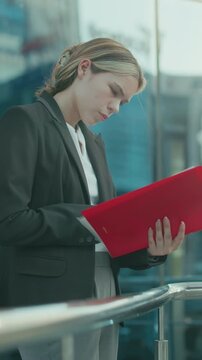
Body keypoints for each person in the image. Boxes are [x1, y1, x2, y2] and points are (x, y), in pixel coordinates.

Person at [0, 37, 185, 360]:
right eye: (114, 91)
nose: (115, 108)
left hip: (104, 289)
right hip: (53, 298)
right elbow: (7, 220)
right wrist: (87, 219)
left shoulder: (93, 144)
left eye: (123, 102)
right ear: (84, 68)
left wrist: (151, 251)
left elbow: (102, 237)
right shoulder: (25, 122)